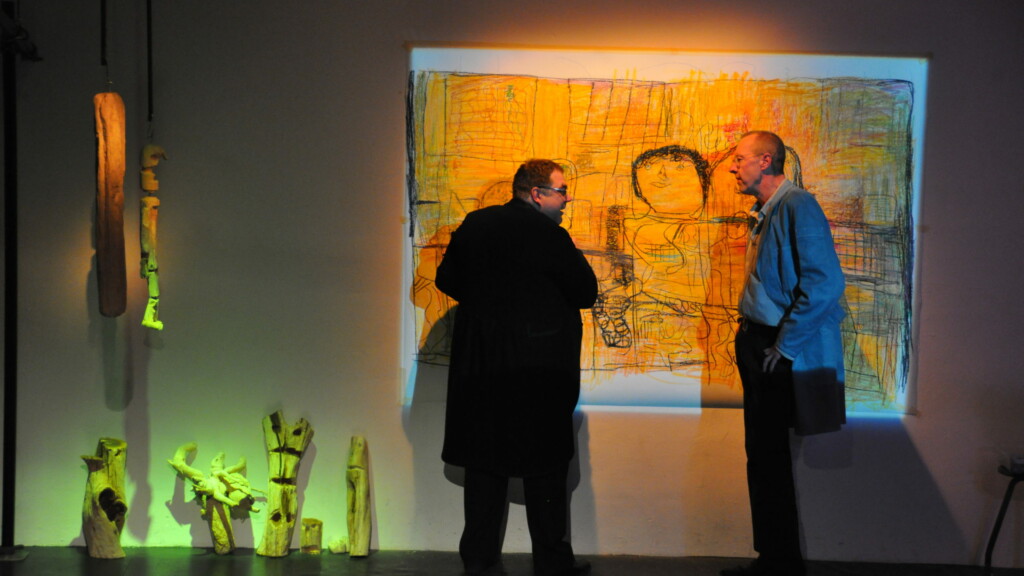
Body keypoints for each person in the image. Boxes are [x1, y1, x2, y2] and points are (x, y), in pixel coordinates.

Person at [435, 159, 598, 576]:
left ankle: (478, 559)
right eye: (561, 191)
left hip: (483, 369)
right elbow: (585, 291)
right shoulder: (550, 236)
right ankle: (551, 561)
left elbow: (447, 279)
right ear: (537, 193)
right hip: (536, 372)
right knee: (544, 467)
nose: (566, 200)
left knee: (484, 465)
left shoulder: (476, 225)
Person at [722, 131, 847, 576]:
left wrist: (785, 344)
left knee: (768, 453)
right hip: (761, 339)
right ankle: (774, 559)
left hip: (774, 345)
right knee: (763, 453)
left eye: (740, 159)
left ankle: (779, 563)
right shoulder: (770, 209)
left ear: (766, 160)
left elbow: (826, 284)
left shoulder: (797, 205)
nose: (734, 167)